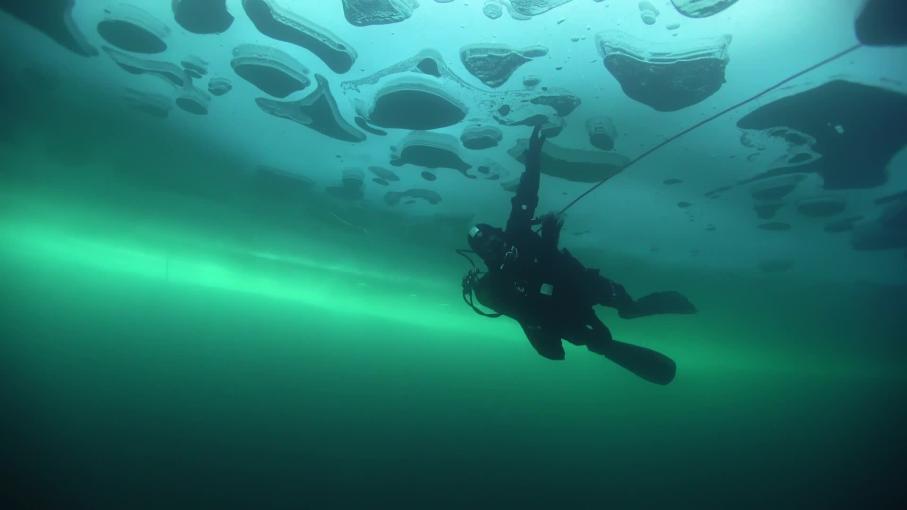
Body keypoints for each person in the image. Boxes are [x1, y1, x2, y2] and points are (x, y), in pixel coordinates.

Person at [462, 126, 696, 384]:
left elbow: (526, 194)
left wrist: (534, 154)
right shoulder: (499, 282)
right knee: (600, 340)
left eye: (495, 240)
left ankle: (631, 310)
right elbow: (537, 304)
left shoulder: (518, 229)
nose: (496, 248)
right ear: (483, 255)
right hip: (560, 312)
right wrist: (550, 241)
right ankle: (609, 343)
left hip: (577, 282)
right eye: (487, 248)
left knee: (622, 302)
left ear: (500, 232)